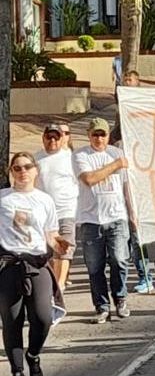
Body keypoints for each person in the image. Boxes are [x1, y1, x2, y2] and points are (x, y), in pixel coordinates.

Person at [0, 153, 70, 376]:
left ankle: (33, 354)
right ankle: (17, 372)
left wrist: (58, 242)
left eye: (27, 167)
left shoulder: (44, 200)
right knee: (12, 321)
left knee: (42, 317)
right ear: (11, 171)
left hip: (36, 264)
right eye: (17, 168)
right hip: (9, 264)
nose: (22, 171)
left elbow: (50, 233)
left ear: (35, 170)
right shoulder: (3, 199)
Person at [74, 118, 135, 324]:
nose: (99, 138)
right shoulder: (81, 155)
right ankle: (101, 306)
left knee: (119, 259)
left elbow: (127, 186)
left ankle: (120, 298)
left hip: (117, 216)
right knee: (94, 266)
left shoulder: (117, 152)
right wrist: (116, 165)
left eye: (102, 134)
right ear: (89, 135)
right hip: (92, 219)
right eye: (95, 134)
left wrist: (132, 212)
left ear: (108, 135)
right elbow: (89, 179)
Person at [34, 124, 78, 294]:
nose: (52, 140)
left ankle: (59, 286)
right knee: (48, 252)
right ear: (43, 138)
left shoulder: (71, 158)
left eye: (56, 137)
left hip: (66, 210)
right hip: (43, 215)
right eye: (49, 137)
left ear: (62, 139)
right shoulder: (36, 159)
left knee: (64, 250)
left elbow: (79, 183)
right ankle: (52, 283)